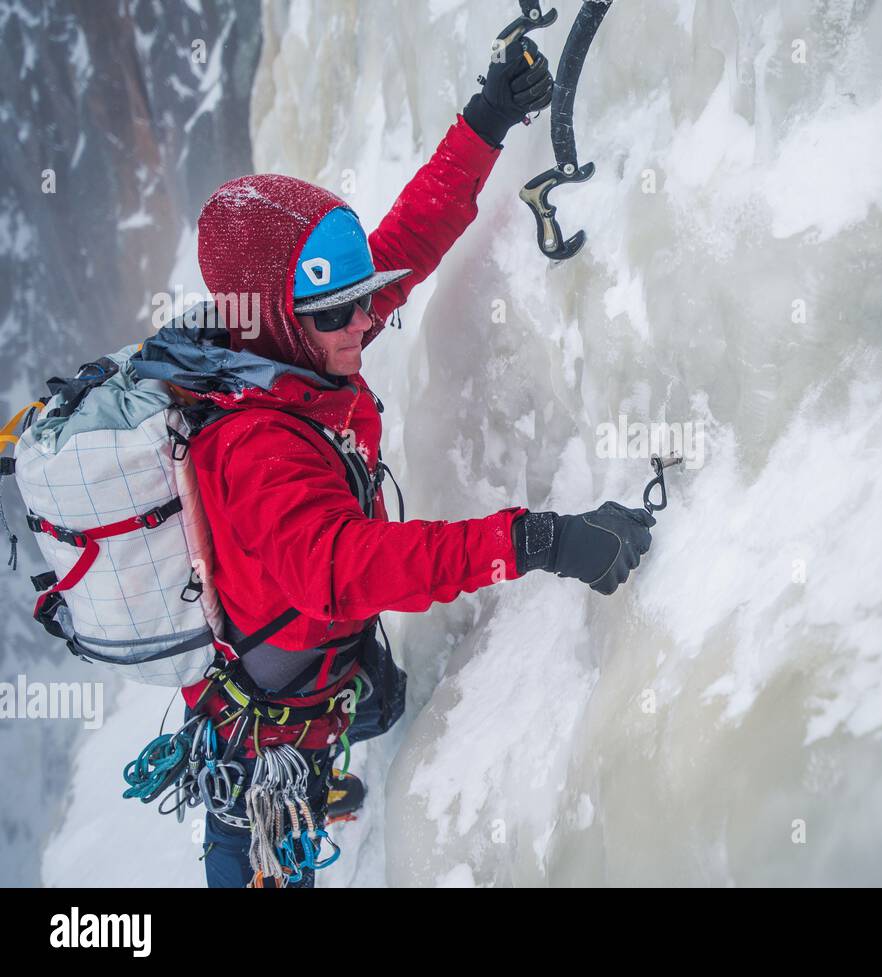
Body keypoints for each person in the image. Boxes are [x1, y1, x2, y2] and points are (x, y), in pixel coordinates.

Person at [177, 34, 655, 888]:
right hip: (265, 752)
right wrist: (540, 539)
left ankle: (328, 775)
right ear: (279, 319)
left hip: (315, 685)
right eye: (338, 313)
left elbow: (408, 238)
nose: (364, 322)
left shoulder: (303, 337)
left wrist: (488, 118)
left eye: (362, 301)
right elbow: (350, 570)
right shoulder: (255, 445)